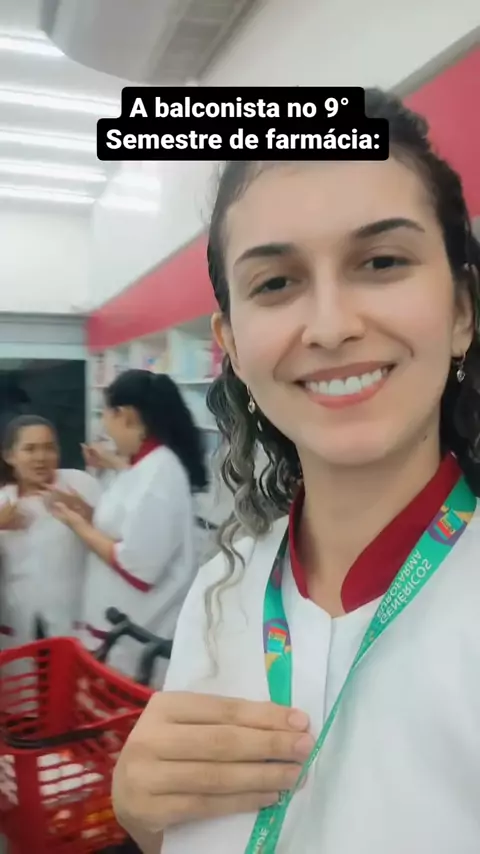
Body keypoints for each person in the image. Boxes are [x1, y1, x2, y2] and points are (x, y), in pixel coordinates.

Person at [111, 88, 480, 854]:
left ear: (461, 313)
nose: (332, 326)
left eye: (382, 262)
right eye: (276, 283)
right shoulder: (224, 588)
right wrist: (145, 824)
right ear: (232, 347)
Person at [50, 370, 209, 680]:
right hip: (115, 626)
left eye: (105, 415)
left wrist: (77, 525)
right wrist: (85, 511)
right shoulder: (141, 466)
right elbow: (124, 527)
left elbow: (137, 566)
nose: (104, 427)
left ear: (125, 416)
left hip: (139, 634)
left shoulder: (160, 474)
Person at [0, 414, 100, 648]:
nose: (41, 458)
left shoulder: (79, 484)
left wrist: (84, 510)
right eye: (30, 449)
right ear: (9, 456)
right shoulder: (4, 500)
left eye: (49, 448)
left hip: (75, 612)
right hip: (17, 617)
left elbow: (115, 537)